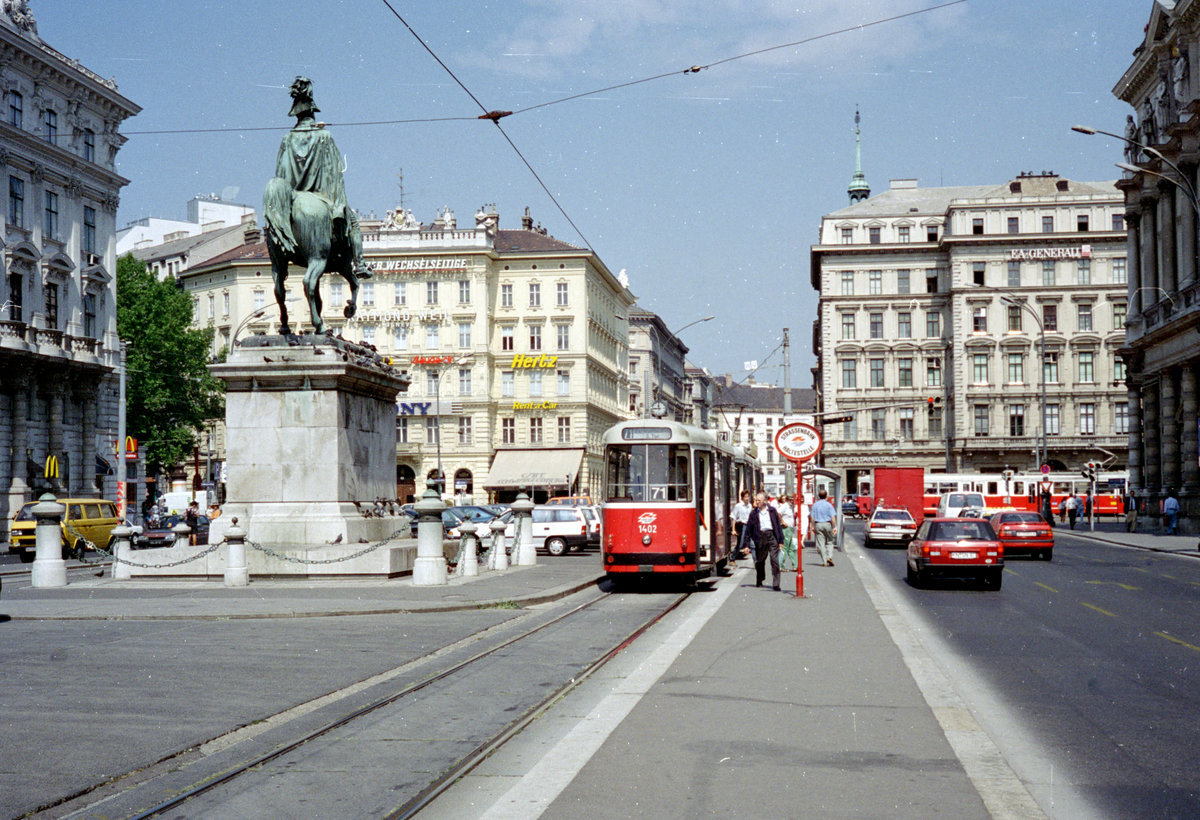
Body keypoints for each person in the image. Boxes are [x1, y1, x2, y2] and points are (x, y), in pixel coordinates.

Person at [745, 492, 784, 590]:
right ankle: (760, 578)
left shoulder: (772, 511)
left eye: (759, 500)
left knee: (774, 560)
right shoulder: (754, 513)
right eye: (756, 500)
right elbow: (748, 529)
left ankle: (776, 584)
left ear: (765, 501)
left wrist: (780, 540)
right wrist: (746, 545)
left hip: (771, 536)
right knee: (760, 560)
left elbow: (778, 526)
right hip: (760, 537)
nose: (756, 502)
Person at [809, 487, 837, 567]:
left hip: (818, 524)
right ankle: (829, 557)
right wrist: (835, 526)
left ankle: (824, 561)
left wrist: (812, 526)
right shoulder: (829, 505)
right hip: (827, 524)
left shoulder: (815, 505)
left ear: (818, 496)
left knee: (821, 543)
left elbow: (812, 517)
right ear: (826, 496)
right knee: (830, 541)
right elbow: (833, 517)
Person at [773, 493, 797, 571]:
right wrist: (783, 522)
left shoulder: (790, 507)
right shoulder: (785, 506)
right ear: (787, 500)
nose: (792, 501)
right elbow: (778, 513)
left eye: (793, 500)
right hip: (786, 529)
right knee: (785, 547)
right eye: (790, 500)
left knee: (791, 548)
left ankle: (795, 565)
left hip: (790, 529)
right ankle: (781, 565)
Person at [731, 490, 752, 560]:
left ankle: (755, 560)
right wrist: (733, 530)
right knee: (741, 543)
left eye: (748, 497)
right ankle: (732, 557)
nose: (747, 498)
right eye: (745, 497)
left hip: (748, 525)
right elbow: (733, 517)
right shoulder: (738, 506)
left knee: (751, 542)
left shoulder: (749, 505)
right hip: (741, 525)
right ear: (742, 497)